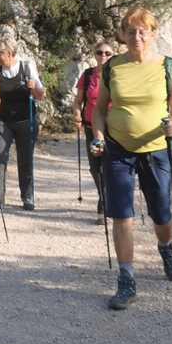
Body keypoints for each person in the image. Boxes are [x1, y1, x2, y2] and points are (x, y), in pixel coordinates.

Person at [89, 8, 172, 310]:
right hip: (117, 149)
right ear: (123, 34)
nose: (137, 36)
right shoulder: (113, 67)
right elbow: (99, 109)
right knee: (122, 215)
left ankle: (166, 248)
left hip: (156, 148)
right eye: (130, 31)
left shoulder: (167, 66)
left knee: (161, 211)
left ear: (153, 33)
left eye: (143, 30)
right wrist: (98, 137)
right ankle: (126, 279)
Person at [0, 35, 45, 213]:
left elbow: (40, 95)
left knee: (25, 160)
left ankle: (27, 197)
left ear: (10, 53)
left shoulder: (26, 68)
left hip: (26, 121)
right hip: (2, 121)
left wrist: (33, 86)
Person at [73, 41, 115, 224]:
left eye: (107, 53)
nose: (103, 56)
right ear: (94, 54)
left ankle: (104, 205)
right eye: (99, 52)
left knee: (109, 165)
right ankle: (104, 196)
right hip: (91, 127)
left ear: (113, 55)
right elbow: (78, 101)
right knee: (94, 165)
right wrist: (76, 114)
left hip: (114, 128)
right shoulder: (88, 75)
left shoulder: (117, 75)